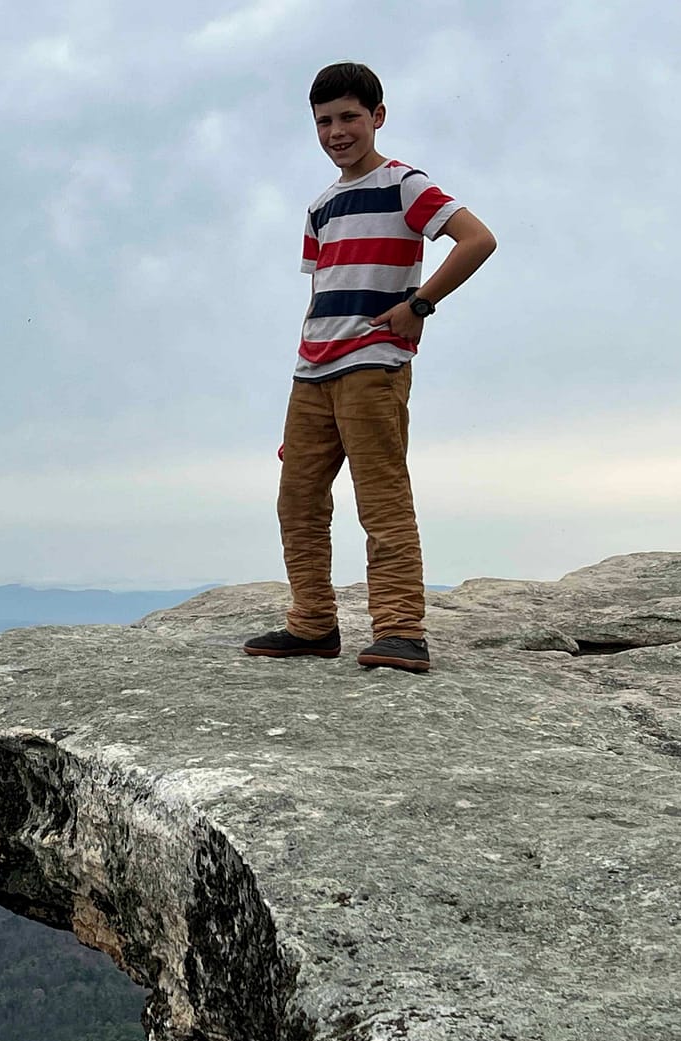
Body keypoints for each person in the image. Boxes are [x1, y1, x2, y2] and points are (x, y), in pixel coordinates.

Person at [243, 61, 496, 673]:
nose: (337, 132)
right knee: (297, 500)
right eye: (324, 121)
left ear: (377, 118)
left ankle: (402, 630)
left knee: (380, 499)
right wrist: (303, 379)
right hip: (313, 371)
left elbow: (477, 239)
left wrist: (419, 305)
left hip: (372, 365)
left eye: (349, 117)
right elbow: (323, 291)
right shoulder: (321, 208)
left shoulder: (405, 184)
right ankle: (312, 625)